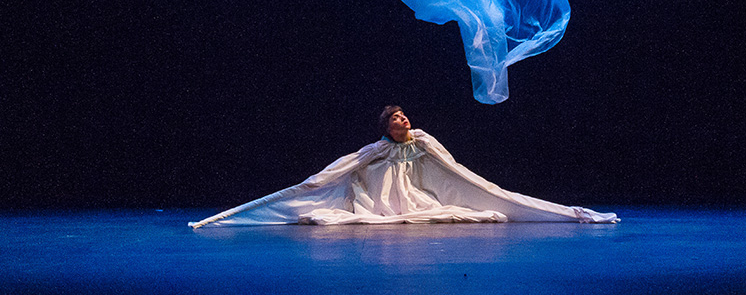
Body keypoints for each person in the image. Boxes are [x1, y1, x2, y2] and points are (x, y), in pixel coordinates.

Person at [190, 106, 618, 227]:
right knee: (321, 197)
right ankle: (228, 219)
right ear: (387, 127)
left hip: (418, 192)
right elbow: (338, 169)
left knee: (494, 197)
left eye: (404, 116)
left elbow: (453, 169)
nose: (403, 120)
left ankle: (571, 215)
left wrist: (485, 188)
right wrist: (309, 186)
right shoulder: (375, 149)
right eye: (396, 118)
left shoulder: (423, 141)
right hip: (382, 199)